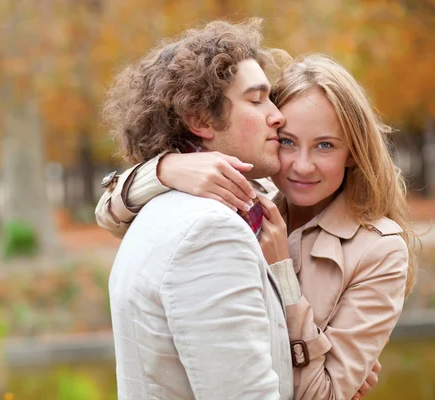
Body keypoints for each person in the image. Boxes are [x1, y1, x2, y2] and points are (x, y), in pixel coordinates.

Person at [96, 54, 417, 400]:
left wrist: (282, 272)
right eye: (288, 142)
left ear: (352, 152)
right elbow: (109, 212)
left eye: (324, 145)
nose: (302, 166)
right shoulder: (252, 195)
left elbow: (321, 395)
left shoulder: (380, 250)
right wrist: (168, 169)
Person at [102, 19, 294, 399]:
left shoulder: (174, 206)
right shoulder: (210, 231)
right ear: (200, 119)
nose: (278, 115)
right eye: (257, 100)